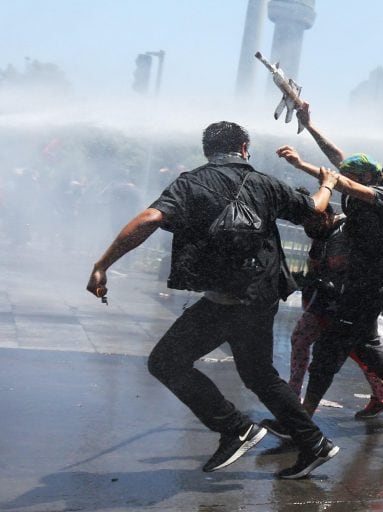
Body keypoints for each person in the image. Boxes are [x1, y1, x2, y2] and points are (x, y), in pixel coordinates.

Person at [86, 121, 340, 479]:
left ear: (208, 150)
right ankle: (315, 443)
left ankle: (237, 428)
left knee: (166, 361)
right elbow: (314, 208)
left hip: (226, 299)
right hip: (261, 294)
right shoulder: (264, 184)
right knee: (259, 374)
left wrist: (103, 264)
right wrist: (327, 184)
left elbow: (149, 218)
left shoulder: (192, 183)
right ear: (244, 148)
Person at [268, 104, 383, 436]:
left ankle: (302, 421)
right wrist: (309, 127)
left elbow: (346, 186)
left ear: (367, 176)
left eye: (352, 176)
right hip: (359, 286)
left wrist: (307, 168)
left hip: (365, 289)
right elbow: (338, 158)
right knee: (366, 345)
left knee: (327, 351)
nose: (346, 177)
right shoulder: (365, 178)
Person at [286, 199, 383, 419]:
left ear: (325, 216)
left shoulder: (349, 228)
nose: (312, 230)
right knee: (300, 339)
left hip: (348, 303)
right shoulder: (322, 233)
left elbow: (361, 263)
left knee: (360, 351)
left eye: (314, 223)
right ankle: (292, 395)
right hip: (323, 302)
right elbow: (315, 262)